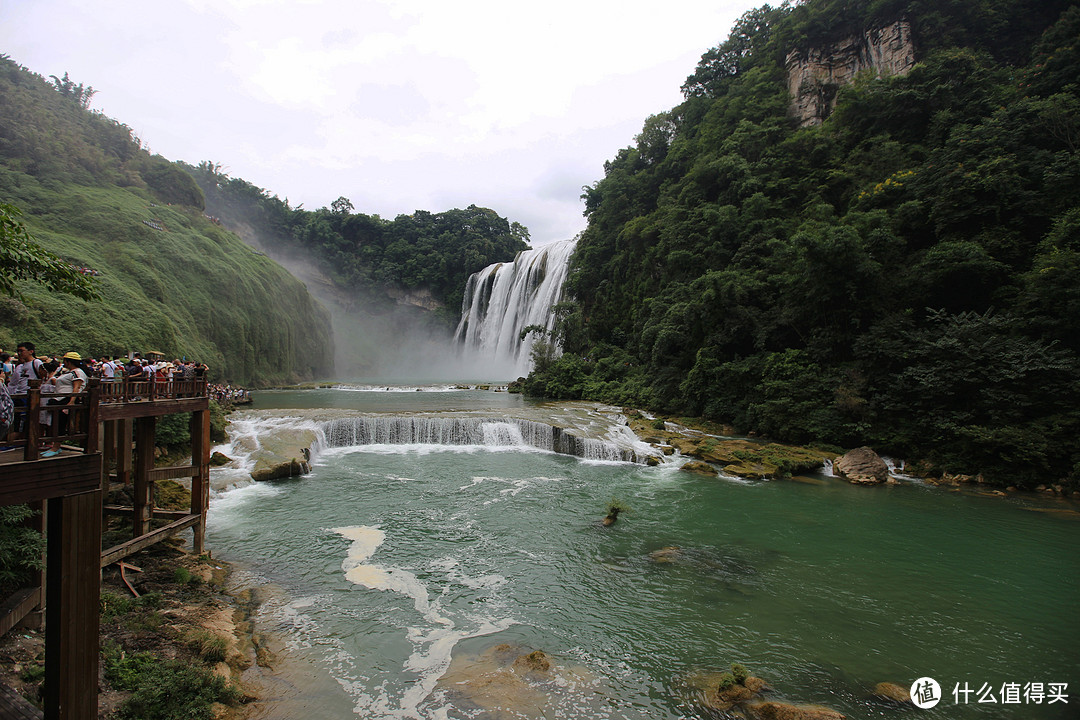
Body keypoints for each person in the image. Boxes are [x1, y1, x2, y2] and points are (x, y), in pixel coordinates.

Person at [42, 352, 88, 457]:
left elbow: (77, 387)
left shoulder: (77, 373)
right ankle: (55, 445)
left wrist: (71, 401)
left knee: (61, 424)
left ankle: (56, 447)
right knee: (56, 423)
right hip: (60, 399)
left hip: (66, 399)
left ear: (68, 361)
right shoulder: (69, 372)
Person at [8, 342, 46, 440]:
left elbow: (43, 377)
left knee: (24, 420)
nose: (20, 353)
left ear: (31, 351)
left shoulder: (36, 363)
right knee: (17, 420)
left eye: (22, 351)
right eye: (18, 351)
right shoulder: (22, 365)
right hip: (19, 394)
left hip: (28, 395)